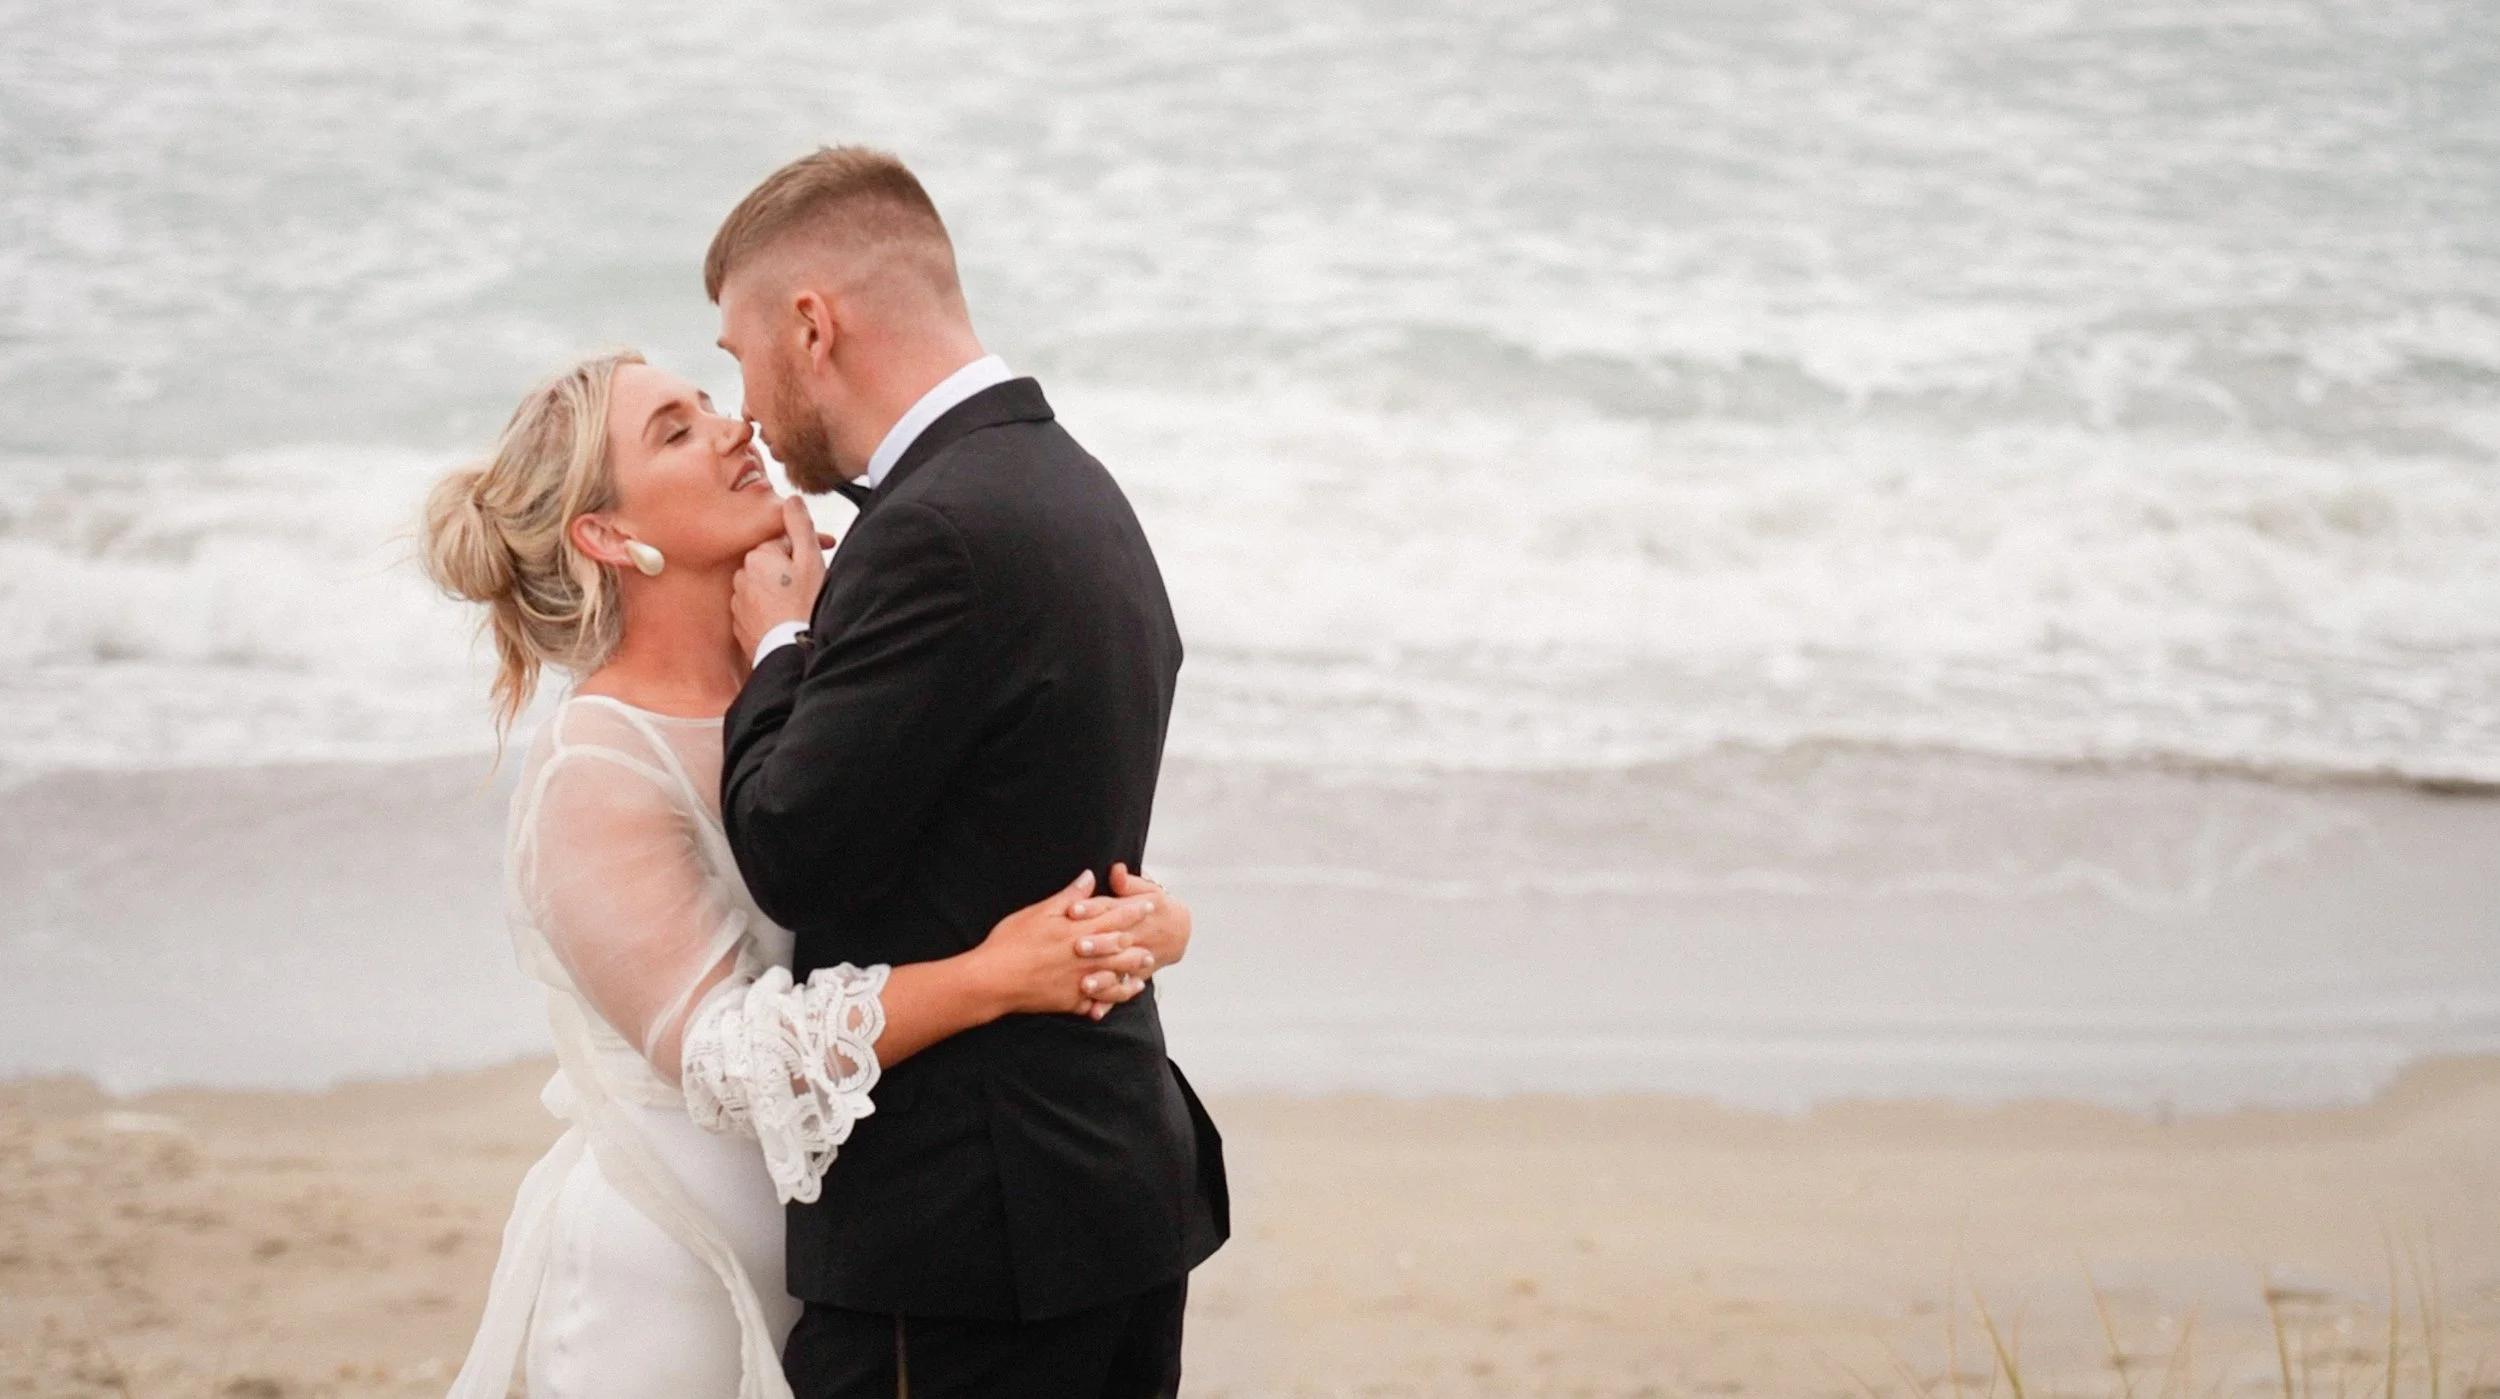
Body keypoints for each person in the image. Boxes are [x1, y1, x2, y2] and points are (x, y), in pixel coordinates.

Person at [421, 348, 1196, 1399]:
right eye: (675, 431)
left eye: (707, 402)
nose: (731, 426)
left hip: (854, 1244)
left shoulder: (809, 674)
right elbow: (723, 1058)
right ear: (606, 534)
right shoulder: (594, 765)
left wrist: (1142, 924)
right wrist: (999, 977)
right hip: (675, 1274)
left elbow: (953, 868)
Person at [708, 146, 1228, 1399]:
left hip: (965, 1238)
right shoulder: (1075, 486)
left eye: (737, 358)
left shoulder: (932, 532)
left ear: (812, 325)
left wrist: (780, 640)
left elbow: (791, 850)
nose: (745, 417)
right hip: (1105, 1181)